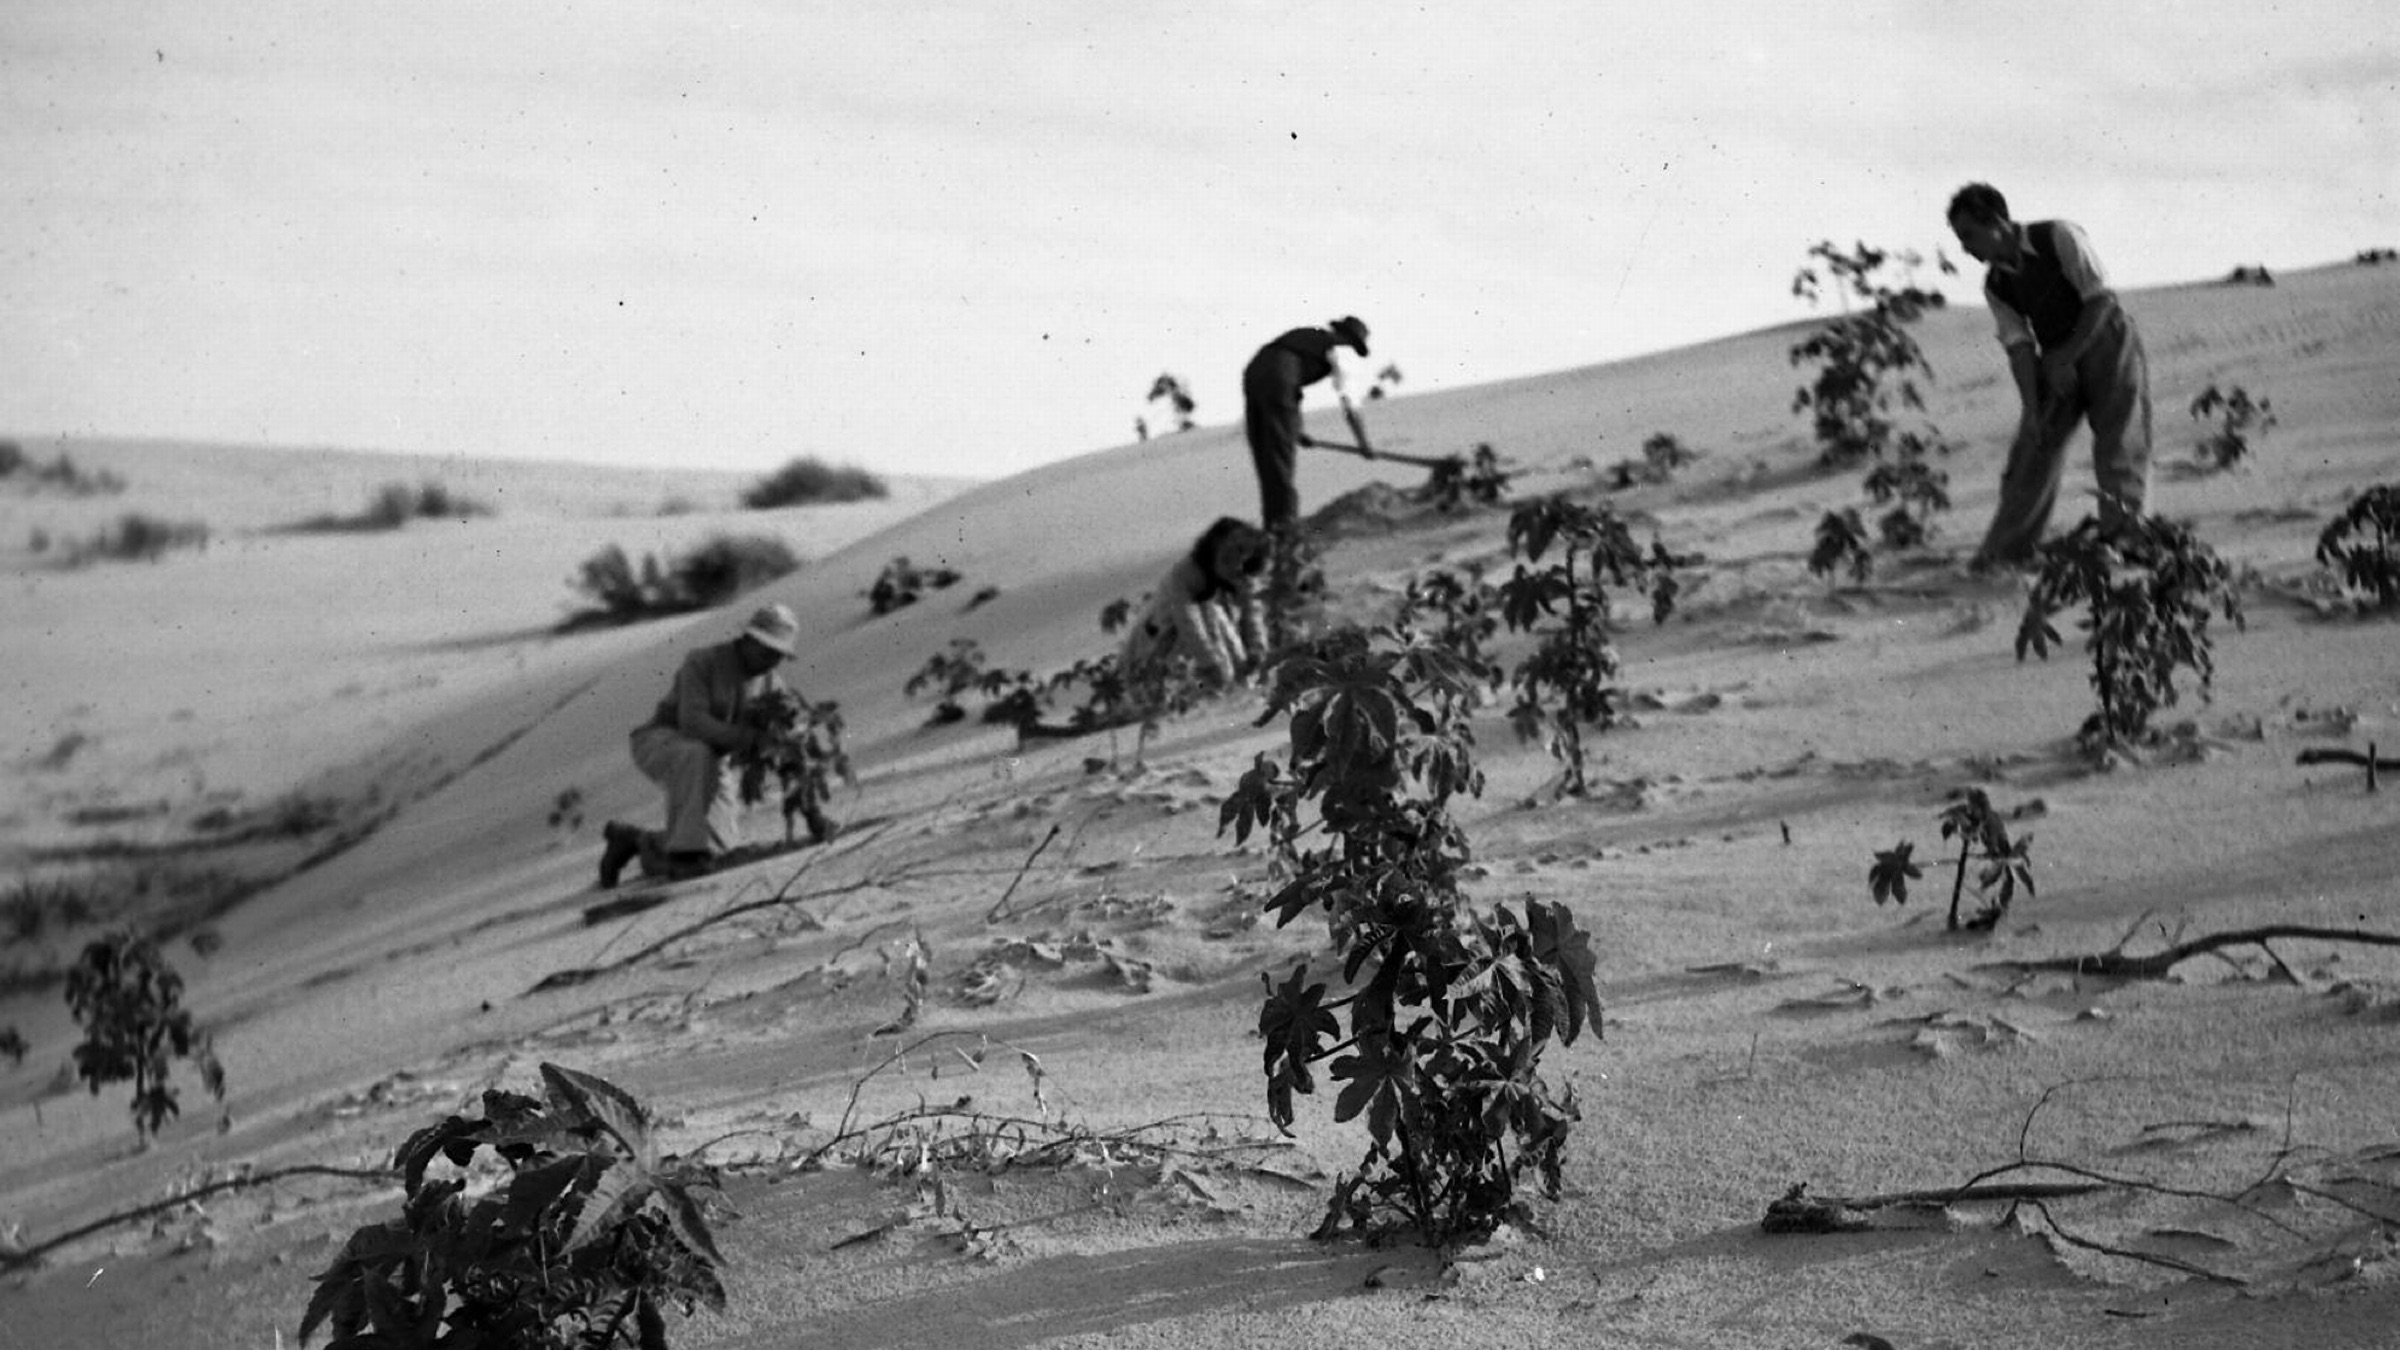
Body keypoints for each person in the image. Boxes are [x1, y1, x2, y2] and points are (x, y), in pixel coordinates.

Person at [1946, 183, 2152, 569]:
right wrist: (2031, 409)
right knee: (2034, 446)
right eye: (1961, 239)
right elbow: (2018, 345)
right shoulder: (1996, 284)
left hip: (2107, 341)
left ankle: (2126, 541)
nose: (1966, 249)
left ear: (1997, 222)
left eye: (1969, 235)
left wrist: (2067, 357)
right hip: (2055, 354)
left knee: (2119, 442)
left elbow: (2101, 298)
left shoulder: (2058, 236)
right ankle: (2006, 551)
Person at [598, 603, 804, 888]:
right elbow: (693, 724)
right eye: (767, 650)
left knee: (718, 848)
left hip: (710, 763)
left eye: (778, 655)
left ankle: (635, 841)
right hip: (662, 742)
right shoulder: (703, 662)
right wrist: (751, 738)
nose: (771, 660)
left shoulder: (771, 685)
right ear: (748, 640)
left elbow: (785, 738)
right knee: (695, 755)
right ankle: (684, 857)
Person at [1241, 315, 1372, 528]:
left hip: (1255, 372)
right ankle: (1284, 526)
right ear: (1350, 340)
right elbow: (1350, 403)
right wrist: (1363, 444)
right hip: (1278, 380)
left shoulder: (1310, 337)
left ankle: (1273, 523)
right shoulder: (1341, 349)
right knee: (1279, 460)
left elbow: (1291, 385)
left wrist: (1296, 430)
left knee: (1266, 455)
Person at [1119, 517, 1271, 687]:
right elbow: (1187, 622)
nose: (1234, 556)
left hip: (1205, 655)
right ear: (1214, 542)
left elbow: (1253, 616)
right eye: (1233, 546)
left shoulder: (1240, 581)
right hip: (1157, 649)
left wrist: (1256, 651)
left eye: (1242, 553)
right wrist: (1210, 665)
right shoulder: (1185, 575)